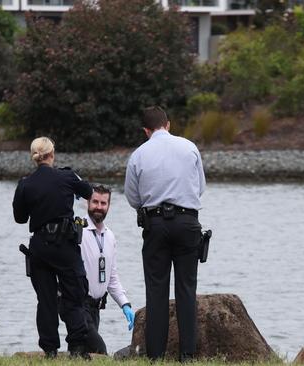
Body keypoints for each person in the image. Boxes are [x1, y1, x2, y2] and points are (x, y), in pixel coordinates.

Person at [124, 106, 205, 361]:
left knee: (156, 291)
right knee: (186, 289)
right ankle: (188, 355)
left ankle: (156, 356)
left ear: (146, 130)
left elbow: (132, 197)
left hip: (155, 224)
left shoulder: (138, 155)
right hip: (187, 222)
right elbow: (199, 187)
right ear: (168, 124)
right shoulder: (189, 147)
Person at [12, 137, 93, 359]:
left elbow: (20, 218)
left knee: (45, 299)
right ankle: (77, 347)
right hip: (65, 245)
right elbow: (88, 191)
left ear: (34, 157)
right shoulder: (66, 177)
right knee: (74, 294)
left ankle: (49, 350)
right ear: (52, 154)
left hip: (39, 247)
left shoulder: (26, 183)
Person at [73, 184, 135, 354]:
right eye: (95, 202)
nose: (99, 207)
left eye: (103, 203)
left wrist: (125, 304)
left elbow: (111, 277)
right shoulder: (77, 230)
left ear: (109, 205)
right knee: (100, 350)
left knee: (83, 353)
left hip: (96, 307)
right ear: (87, 202)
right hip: (78, 305)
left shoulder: (109, 236)